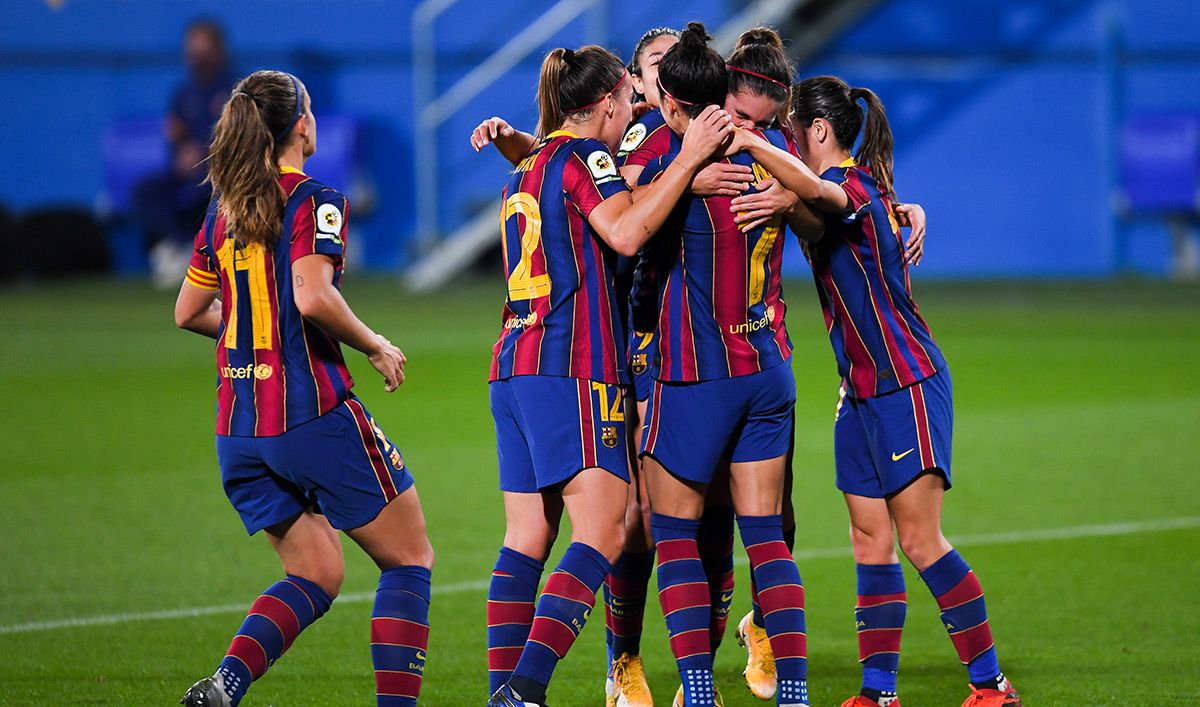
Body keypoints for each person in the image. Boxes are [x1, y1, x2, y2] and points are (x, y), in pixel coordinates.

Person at [725, 75, 1023, 707]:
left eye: (791, 133)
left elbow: (814, 196)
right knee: (869, 540)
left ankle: (991, 684)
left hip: (906, 383)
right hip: (859, 394)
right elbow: (805, 207)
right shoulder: (853, 194)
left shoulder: (853, 187)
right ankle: (877, 691)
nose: (786, 143)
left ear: (820, 132)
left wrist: (749, 141)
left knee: (920, 540)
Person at [173, 70, 435, 707]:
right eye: (310, 109)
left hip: (238, 431)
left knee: (315, 572)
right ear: (298, 125)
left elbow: (187, 311)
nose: (314, 120)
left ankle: (226, 686)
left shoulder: (225, 209)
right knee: (409, 559)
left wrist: (249, 342)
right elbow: (313, 296)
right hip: (310, 414)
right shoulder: (313, 198)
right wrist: (375, 344)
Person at [481, 45, 733, 707]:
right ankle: (525, 690)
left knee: (527, 538)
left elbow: (598, 203)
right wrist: (686, 162)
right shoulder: (587, 156)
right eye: (627, 100)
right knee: (604, 533)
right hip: (574, 366)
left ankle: (499, 691)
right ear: (602, 106)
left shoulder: (530, 165)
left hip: (514, 364)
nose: (635, 110)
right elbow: (624, 231)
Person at [633, 23, 820, 707]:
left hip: (696, 372)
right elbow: (833, 200)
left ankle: (698, 690)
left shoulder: (674, 158)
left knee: (676, 531)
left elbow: (619, 213)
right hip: (768, 368)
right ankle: (794, 692)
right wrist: (796, 195)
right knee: (766, 534)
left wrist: (678, 169)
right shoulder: (778, 157)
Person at [136, 19, 236, 287]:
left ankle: (200, 256)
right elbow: (174, 135)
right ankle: (180, 248)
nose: (198, 56)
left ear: (218, 49)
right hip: (185, 172)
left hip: (219, 174)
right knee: (147, 191)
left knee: (205, 193)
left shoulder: (235, 89)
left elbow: (241, 141)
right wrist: (180, 155)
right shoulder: (183, 93)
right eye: (193, 49)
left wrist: (203, 154)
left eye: (204, 49)